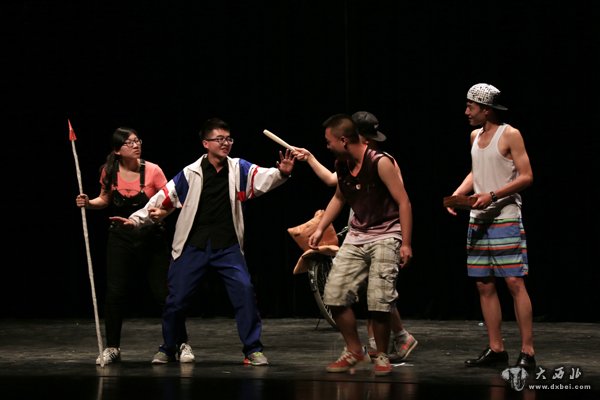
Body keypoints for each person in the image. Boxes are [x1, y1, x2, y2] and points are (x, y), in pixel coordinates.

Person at [110, 118, 295, 366]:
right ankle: (168, 347)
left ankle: (252, 349)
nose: (225, 143)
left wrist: (282, 172)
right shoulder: (191, 173)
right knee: (176, 299)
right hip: (193, 244)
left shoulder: (238, 169)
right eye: (220, 139)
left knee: (244, 291)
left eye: (228, 139)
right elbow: (162, 198)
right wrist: (136, 220)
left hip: (227, 245)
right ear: (206, 143)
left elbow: (262, 177)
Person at [293, 111, 417, 362]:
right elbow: (338, 195)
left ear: (348, 138)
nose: (327, 146)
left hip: (385, 233)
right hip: (358, 233)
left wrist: (406, 242)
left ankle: (383, 349)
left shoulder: (382, 162)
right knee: (338, 293)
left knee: (379, 297)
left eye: (329, 141)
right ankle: (359, 348)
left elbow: (403, 201)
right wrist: (320, 228)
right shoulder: (343, 163)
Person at [446, 83, 536, 371]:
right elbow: (477, 170)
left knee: (514, 282)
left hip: (504, 216)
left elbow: (526, 176)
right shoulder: (474, 135)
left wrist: (494, 195)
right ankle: (497, 348)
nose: (466, 111)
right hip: (478, 218)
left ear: (486, 109)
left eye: (470, 106)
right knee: (483, 283)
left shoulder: (510, 134)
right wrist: (458, 194)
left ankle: (528, 351)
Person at [75, 127, 170, 365]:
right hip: (120, 238)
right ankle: (112, 347)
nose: (136, 145)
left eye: (138, 140)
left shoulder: (153, 170)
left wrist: (160, 213)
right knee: (115, 293)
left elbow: (169, 200)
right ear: (118, 150)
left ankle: (178, 341)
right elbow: (105, 199)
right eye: (130, 142)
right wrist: (89, 202)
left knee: (162, 292)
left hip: (150, 237)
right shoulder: (109, 171)